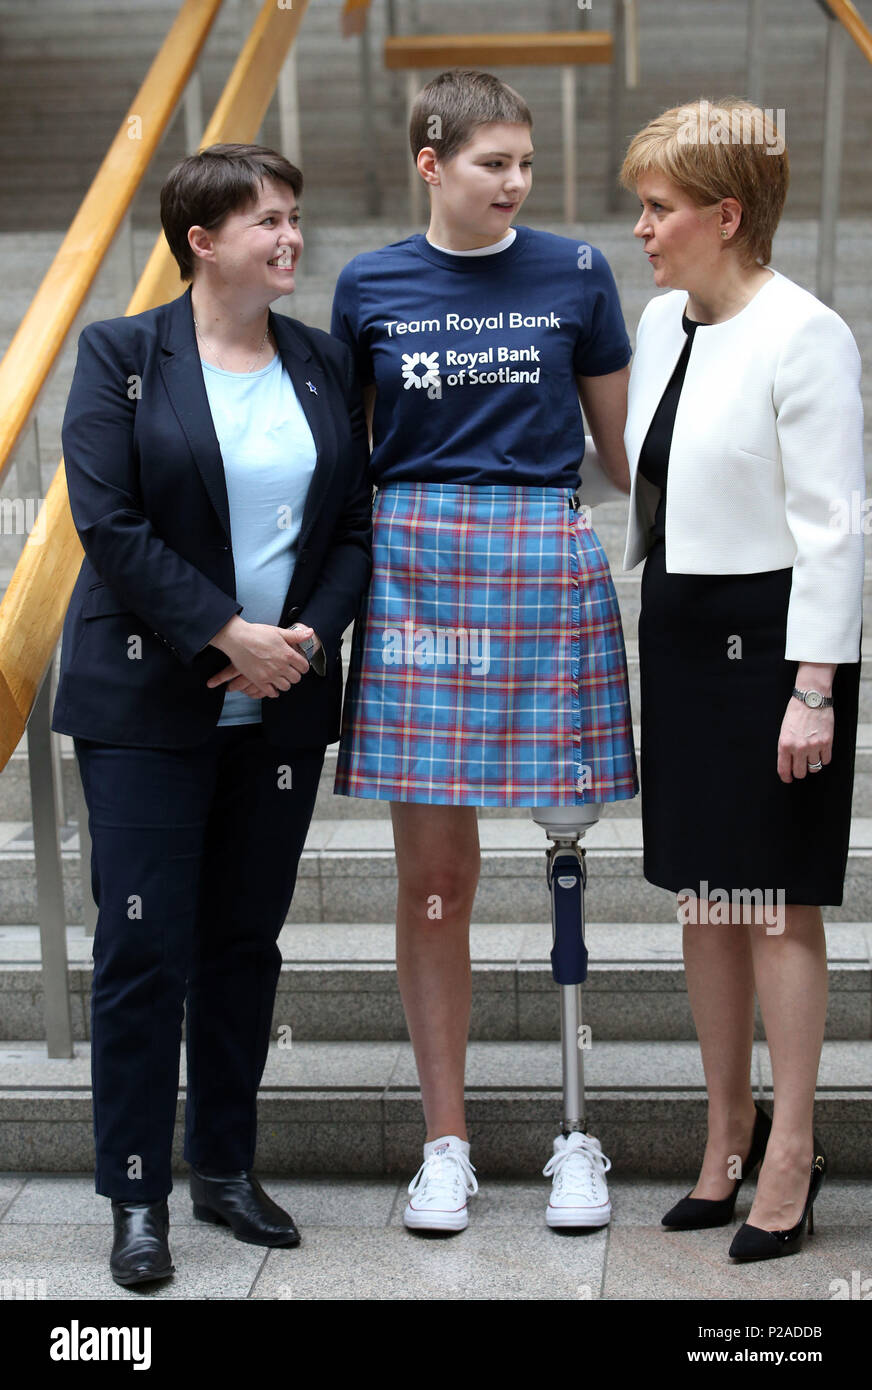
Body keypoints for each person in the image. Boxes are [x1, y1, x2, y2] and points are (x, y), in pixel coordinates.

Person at [51, 143, 372, 1285]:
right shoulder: (121, 355)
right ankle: (137, 1195)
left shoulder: (324, 362)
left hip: (277, 707)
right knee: (145, 948)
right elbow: (110, 520)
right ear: (202, 239)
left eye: (294, 216)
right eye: (267, 221)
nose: (290, 238)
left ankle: (225, 1170)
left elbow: (349, 529)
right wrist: (221, 633)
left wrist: (302, 641)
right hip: (149, 699)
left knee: (243, 943)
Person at [331, 69, 637, 1233]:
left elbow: (621, 458)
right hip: (416, 567)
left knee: (566, 858)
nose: (513, 183)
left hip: (539, 553)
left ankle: (575, 1137)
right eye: (489, 163)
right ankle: (444, 1144)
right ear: (430, 161)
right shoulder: (369, 284)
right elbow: (341, 459)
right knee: (436, 884)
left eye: (523, 165)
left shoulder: (573, 271)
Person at [620, 99, 864, 1260]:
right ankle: (725, 1135)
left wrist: (812, 685)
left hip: (773, 643)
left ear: (726, 214)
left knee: (770, 899)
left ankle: (791, 1150)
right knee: (700, 898)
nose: (641, 228)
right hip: (676, 624)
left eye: (658, 208)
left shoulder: (804, 332)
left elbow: (832, 525)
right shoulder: (660, 320)